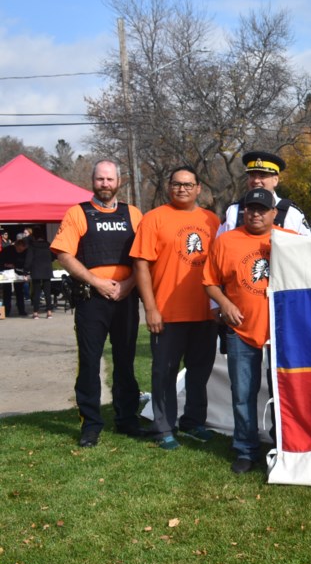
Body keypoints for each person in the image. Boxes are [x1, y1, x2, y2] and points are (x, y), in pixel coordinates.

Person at [50, 160, 144, 447]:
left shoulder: (134, 214)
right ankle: (90, 425)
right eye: (100, 179)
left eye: (110, 179)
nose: (105, 184)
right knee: (89, 363)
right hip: (92, 300)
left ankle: (127, 420)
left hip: (126, 299)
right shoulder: (78, 213)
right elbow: (65, 254)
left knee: (125, 362)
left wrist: (128, 285)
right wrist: (97, 282)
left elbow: (144, 257)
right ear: (92, 181)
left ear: (119, 181)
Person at [131, 165, 221, 451]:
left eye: (188, 184)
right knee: (164, 373)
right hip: (168, 312)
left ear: (198, 189)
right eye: (176, 184)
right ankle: (164, 426)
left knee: (199, 372)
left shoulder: (212, 220)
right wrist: (150, 308)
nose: (182, 189)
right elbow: (141, 265)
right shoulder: (154, 219)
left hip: (205, 313)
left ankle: (194, 422)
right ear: (169, 187)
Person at [204, 189, 293, 473]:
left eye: (262, 209)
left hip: (281, 331)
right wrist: (224, 304)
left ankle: (284, 445)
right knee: (243, 391)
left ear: (273, 213)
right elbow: (209, 281)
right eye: (250, 208)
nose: (255, 213)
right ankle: (245, 448)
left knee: (283, 392)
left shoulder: (290, 241)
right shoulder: (226, 241)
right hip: (241, 329)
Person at [218, 151, 310, 236]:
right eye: (252, 175)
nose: (256, 181)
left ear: (275, 180)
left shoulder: (291, 213)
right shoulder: (234, 210)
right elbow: (221, 243)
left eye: (262, 176)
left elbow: (306, 248)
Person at [24, 232, 54, 319]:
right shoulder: (48, 245)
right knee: (47, 292)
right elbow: (53, 256)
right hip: (47, 270)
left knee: (36, 292)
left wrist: (26, 271)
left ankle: (35, 313)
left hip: (36, 270)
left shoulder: (32, 246)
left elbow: (28, 259)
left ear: (34, 237)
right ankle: (49, 312)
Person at [1, 236, 28, 318]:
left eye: (22, 250)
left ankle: (21, 310)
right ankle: (6, 311)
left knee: (20, 292)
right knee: (7, 292)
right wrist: (6, 265)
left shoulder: (25, 252)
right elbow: (1, 261)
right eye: (19, 249)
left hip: (19, 273)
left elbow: (25, 262)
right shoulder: (7, 250)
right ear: (16, 246)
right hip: (6, 273)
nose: (20, 251)